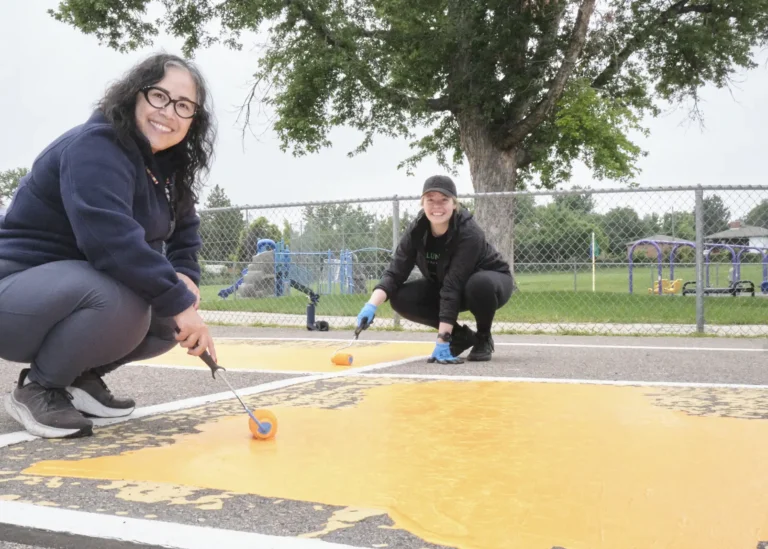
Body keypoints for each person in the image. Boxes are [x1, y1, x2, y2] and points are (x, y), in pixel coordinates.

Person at [0, 53, 217, 439]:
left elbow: (184, 230)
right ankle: (38, 388)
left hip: (71, 292)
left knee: (166, 316)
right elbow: (111, 241)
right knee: (130, 298)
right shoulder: (95, 146)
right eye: (159, 96)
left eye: (184, 106)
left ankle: (79, 380)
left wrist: (185, 275)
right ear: (134, 95)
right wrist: (177, 301)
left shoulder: (166, 170)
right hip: (15, 293)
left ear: (193, 120)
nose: (169, 112)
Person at [357, 175, 514, 363]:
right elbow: (395, 272)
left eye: (444, 200)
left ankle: (483, 337)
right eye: (430, 200)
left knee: (478, 284)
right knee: (399, 297)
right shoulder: (417, 231)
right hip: (446, 282)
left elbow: (453, 286)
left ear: (455, 204)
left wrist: (442, 340)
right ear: (422, 203)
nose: (437, 206)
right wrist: (371, 305)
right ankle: (460, 335)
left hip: (489, 283)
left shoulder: (469, 233)